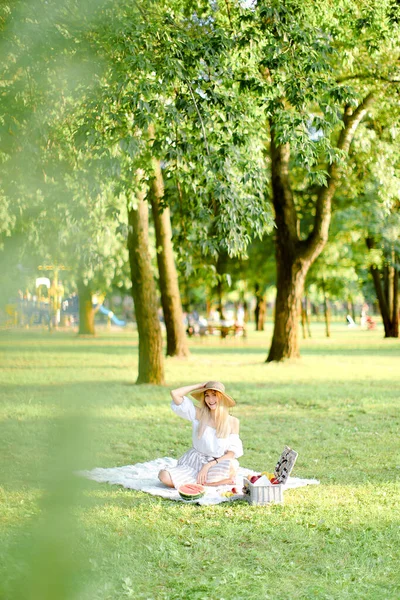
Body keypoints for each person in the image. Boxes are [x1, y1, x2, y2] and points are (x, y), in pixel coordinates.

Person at [158, 381, 243, 489]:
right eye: (207, 395)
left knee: (233, 464)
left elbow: (231, 453)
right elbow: (175, 393)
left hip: (216, 463)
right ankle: (207, 483)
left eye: (214, 395)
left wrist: (208, 465)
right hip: (194, 461)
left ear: (221, 398)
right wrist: (199, 386)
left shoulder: (233, 421)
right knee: (164, 476)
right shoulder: (198, 414)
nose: (210, 400)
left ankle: (201, 482)